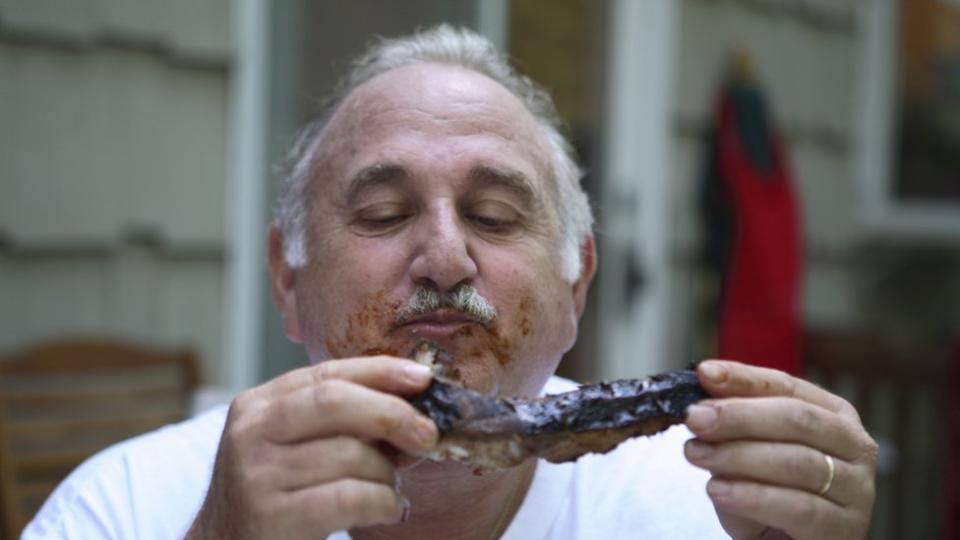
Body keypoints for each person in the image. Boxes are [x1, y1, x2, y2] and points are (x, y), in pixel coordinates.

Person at [23, 25, 877, 539]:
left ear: (577, 286)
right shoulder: (128, 506)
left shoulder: (716, 514)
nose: (444, 257)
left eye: (497, 216)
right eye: (385, 212)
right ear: (286, 279)